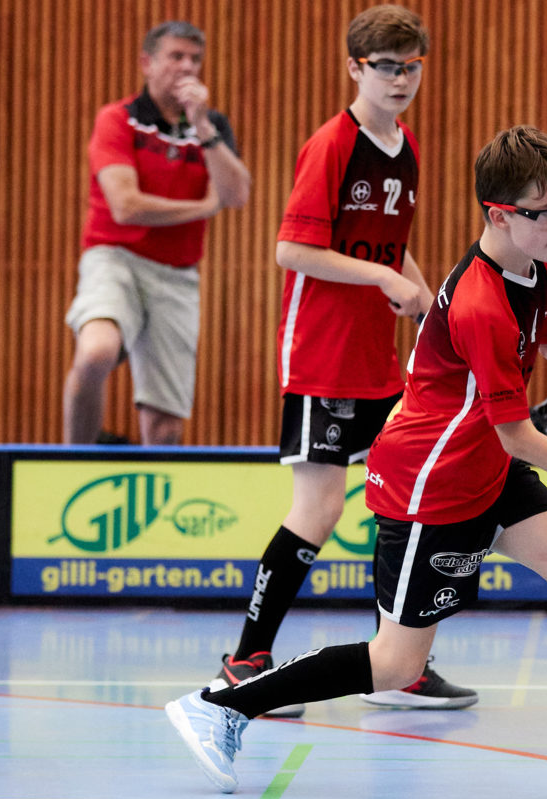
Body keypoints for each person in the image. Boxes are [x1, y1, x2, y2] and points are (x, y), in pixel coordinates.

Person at [165, 125, 547, 799]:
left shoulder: (534, 266)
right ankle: (222, 703)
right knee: (394, 661)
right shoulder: (480, 303)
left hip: (484, 463)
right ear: (500, 213)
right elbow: (519, 433)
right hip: (430, 485)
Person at [208, 5, 474, 717]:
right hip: (322, 357)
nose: (401, 79)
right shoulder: (332, 144)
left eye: (412, 65)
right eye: (387, 66)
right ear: (356, 67)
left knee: (406, 500)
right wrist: (384, 280)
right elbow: (290, 250)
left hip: (380, 363)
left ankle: (400, 662)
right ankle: (246, 659)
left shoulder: (406, 145)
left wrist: (423, 298)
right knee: (319, 508)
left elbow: (390, 247)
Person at [62, 21, 251, 445]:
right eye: (176, 57)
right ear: (147, 63)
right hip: (115, 258)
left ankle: (154, 498)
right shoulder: (119, 119)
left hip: (178, 274)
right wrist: (202, 208)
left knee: (165, 427)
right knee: (96, 352)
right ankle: (72, 462)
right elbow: (126, 205)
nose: (187, 67)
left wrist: (202, 125)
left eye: (195, 59)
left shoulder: (212, 127)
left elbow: (236, 194)